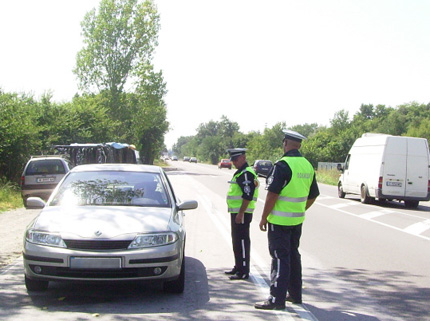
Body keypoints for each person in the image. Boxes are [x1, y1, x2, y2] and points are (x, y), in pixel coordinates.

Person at [254, 130, 319, 310]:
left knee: (279, 258)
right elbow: (314, 195)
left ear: (285, 143)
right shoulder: (307, 165)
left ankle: (277, 299)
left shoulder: (282, 165)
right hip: (297, 221)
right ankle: (295, 294)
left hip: (279, 222)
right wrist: (300, 209)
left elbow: (272, 195)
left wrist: (263, 217)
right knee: (293, 256)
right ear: (298, 145)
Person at [225, 148, 259, 280]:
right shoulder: (240, 173)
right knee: (236, 240)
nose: (233, 162)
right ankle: (238, 266)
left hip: (242, 213)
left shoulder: (246, 174)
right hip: (237, 212)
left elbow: (248, 196)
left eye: (235, 159)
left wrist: (240, 213)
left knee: (243, 241)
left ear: (243, 158)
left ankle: (244, 270)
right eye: (232, 160)